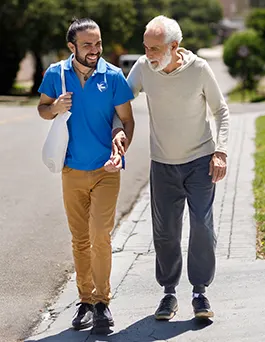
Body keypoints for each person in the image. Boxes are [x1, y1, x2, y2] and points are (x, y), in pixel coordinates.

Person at [119, 15, 229, 320]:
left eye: (155, 48)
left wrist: (221, 151)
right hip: (163, 163)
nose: (148, 54)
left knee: (202, 226)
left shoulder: (199, 69)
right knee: (165, 231)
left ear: (175, 46)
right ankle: (168, 293)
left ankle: (199, 292)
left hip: (200, 161)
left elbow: (221, 109)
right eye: (146, 47)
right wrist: (116, 129)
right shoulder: (143, 68)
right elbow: (121, 100)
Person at [37, 18, 134, 331]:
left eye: (98, 43)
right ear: (72, 46)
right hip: (71, 170)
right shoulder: (56, 74)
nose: (95, 50)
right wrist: (55, 107)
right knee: (80, 240)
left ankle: (103, 302)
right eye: (88, 44)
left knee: (99, 236)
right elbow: (42, 108)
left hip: (106, 170)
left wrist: (121, 146)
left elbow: (126, 121)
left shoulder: (114, 76)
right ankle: (85, 301)